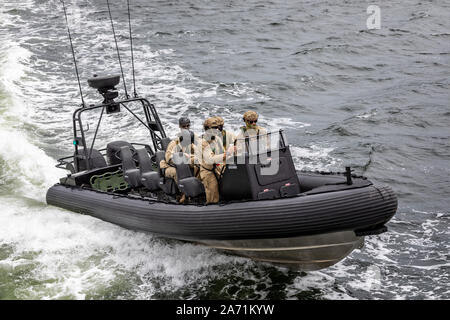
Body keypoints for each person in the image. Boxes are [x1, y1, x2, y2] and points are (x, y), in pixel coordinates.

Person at [160, 117, 198, 203]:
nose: (186, 128)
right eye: (184, 126)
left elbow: (197, 151)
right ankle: (183, 193)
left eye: (188, 126)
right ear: (180, 127)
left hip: (184, 165)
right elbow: (168, 158)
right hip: (169, 167)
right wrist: (180, 159)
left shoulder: (190, 140)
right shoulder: (174, 143)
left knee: (198, 167)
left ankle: (197, 190)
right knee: (177, 172)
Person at [197, 117, 234, 204]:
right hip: (208, 172)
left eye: (217, 128)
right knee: (213, 197)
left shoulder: (217, 139)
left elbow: (221, 153)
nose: (216, 130)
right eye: (213, 128)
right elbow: (210, 159)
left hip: (218, 168)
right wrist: (227, 154)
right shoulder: (202, 142)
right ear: (207, 129)